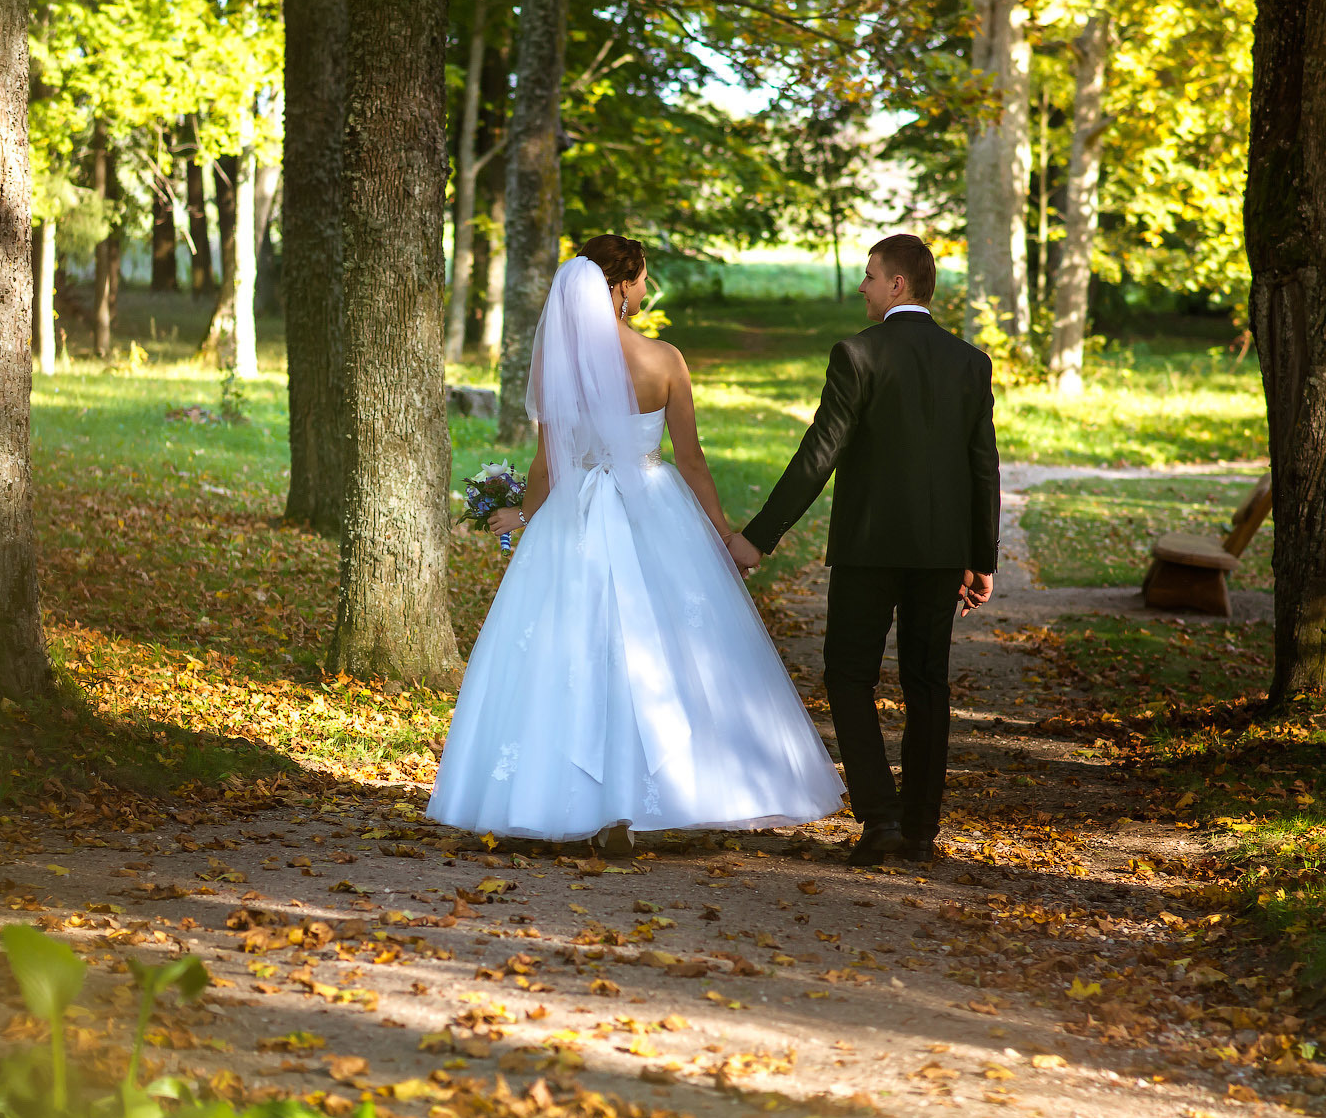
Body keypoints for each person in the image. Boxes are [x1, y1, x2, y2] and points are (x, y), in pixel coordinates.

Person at [427, 236, 845, 853]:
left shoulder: (558, 365)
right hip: (656, 508)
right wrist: (726, 535)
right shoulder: (665, 359)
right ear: (621, 287)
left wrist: (521, 515)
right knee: (670, 644)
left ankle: (566, 797)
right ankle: (681, 790)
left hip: (578, 515)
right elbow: (693, 460)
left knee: (575, 645)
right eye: (644, 278)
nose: (647, 288)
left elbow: (548, 464)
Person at [726, 233, 1000, 867]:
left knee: (849, 675)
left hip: (867, 550)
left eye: (871, 276)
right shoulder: (970, 362)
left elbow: (819, 455)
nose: (863, 287)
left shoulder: (857, 354)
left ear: (897, 285)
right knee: (926, 682)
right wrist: (981, 558)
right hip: (939, 554)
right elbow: (983, 465)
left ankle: (880, 819)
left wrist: (758, 538)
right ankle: (922, 829)